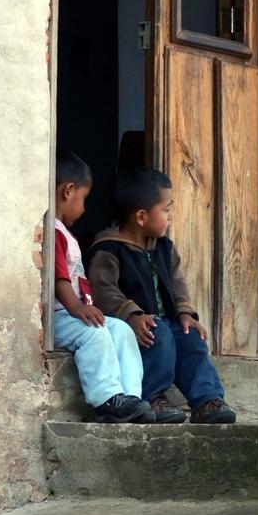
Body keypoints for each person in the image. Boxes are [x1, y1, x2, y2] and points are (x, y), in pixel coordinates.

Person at [85, 166, 236, 424]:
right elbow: (103, 289)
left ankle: (207, 399)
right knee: (159, 334)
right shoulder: (109, 249)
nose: (171, 216)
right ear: (141, 216)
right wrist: (132, 315)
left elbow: (177, 282)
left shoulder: (164, 248)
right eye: (166, 210)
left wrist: (185, 313)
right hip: (135, 328)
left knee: (191, 339)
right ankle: (152, 398)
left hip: (165, 322)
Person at [53, 152, 153, 423]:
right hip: (61, 316)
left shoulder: (64, 232)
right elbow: (59, 278)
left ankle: (131, 398)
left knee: (121, 329)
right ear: (68, 191)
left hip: (73, 313)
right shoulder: (54, 231)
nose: (84, 208)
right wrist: (77, 308)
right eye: (84, 198)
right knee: (94, 334)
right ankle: (107, 399)